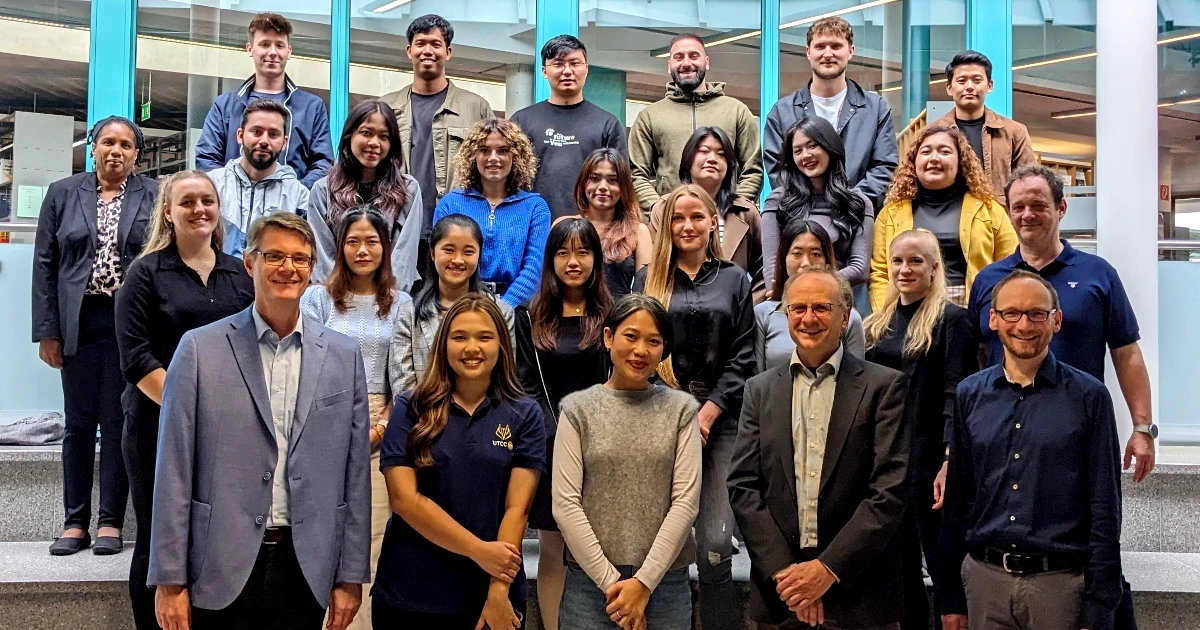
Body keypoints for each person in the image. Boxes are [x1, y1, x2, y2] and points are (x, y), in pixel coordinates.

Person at [149, 212, 370, 630]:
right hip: (219, 564)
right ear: (249, 263)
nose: (288, 268)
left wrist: (350, 574)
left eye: (300, 259)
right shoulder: (198, 350)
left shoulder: (344, 356)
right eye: (274, 256)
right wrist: (169, 579)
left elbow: (355, 475)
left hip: (306, 565)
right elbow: (173, 470)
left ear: (312, 270)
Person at [967, 166, 1154, 630]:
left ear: (1061, 210)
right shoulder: (989, 279)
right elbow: (974, 361)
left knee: (1094, 540)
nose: (1028, 214)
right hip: (1006, 436)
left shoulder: (1097, 274)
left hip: (1077, 434)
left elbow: (1126, 352)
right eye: (1019, 207)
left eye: (1039, 205)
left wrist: (1143, 427)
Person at [728, 266, 910, 630]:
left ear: (845, 317)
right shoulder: (760, 390)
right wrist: (788, 575)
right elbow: (743, 487)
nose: (808, 318)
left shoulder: (884, 387)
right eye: (797, 308)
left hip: (859, 591)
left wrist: (827, 570)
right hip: (783, 593)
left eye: (821, 308)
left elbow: (890, 490)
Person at [940, 271, 1122, 630]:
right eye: (1012, 313)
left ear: (1056, 320)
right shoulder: (968, 395)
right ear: (993, 319)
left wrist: (1099, 606)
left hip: (1060, 588)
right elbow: (958, 500)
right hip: (984, 583)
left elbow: (1105, 507)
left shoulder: (1090, 397)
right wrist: (950, 597)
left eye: (1037, 314)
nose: (1024, 324)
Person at [114, 170, 255, 629]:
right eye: (187, 202)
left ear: (218, 211)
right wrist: (186, 411)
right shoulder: (144, 273)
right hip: (157, 428)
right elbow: (136, 358)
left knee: (214, 535)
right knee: (160, 537)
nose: (199, 210)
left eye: (207, 201)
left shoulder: (240, 274)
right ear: (168, 213)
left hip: (228, 433)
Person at [373, 294, 545, 629]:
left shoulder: (524, 413)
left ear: (501, 344)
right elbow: (405, 500)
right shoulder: (411, 407)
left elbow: (517, 509)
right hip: (411, 595)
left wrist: (498, 591)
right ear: (443, 344)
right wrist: (479, 551)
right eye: (459, 337)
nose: (471, 348)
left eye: (484, 337)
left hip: (491, 598)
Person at [33, 115, 157, 556]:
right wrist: (48, 332)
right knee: (79, 423)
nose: (116, 151)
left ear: (136, 154)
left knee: (121, 420)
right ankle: (74, 522)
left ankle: (110, 522)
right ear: (93, 147)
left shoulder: (154, 194)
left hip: (130, 324)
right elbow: (46, 265)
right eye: (108, 142)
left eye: (126, 144)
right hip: (79, 321)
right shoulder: (63, 194)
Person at [634, 184, 755, 630]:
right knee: (661, 543)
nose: (687, 226)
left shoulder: (734, 279)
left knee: (716, 543)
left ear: (712, 223)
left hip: (720, 422)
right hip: (659, 418)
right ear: (665, 226)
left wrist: (707, 412)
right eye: (677, 218)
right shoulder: (647, 280)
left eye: (697, 217)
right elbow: (638, 353)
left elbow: (745, 355)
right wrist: (680, 413)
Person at [553, 293, 702, 630]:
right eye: (630, 336)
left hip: (665, 584)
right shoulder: (577, 410)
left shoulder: (682, 410)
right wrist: (614, 586)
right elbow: (565, 504)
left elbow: (686, 503)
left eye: (653, 341)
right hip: (590, 586)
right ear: (608, 337)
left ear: (663, 349)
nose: (640, 350)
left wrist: (644, 582)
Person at [862, 229, 977, 630]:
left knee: (944, 561)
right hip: (887, 461)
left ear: (933, 268)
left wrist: (949, 459)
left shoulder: (952, 321)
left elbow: (955, 395)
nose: (904, 269)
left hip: (931, 461)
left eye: (915, 261)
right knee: (901, 566)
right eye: (897, 261)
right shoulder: (878, 324)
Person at [301, 207, 405, 630]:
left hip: (382, 428)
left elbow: (404, 379)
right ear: (339, 247)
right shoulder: (316, 299)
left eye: (372, 241)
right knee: (322, 536)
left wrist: (380, 428)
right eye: (353, 241)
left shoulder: (401, 303)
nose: (363, 250)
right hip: (322, 425)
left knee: (372, 538)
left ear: (386, 248)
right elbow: (305, 368)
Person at [514, 218, 612, 630]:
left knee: (595, 549)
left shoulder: (613, 313)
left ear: (596, 259)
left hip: (603, 446)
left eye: (583, 252)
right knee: (553, 550)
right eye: (563, 252)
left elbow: (620, 381)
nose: (573, 262)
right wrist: (560, 437)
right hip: (551, 446)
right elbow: (525, 384)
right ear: (550, 259)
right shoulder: (528, 316)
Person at [871, 125, 1016, 310]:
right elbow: (880, 273)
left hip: (972, 307)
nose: (934, 158)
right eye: (926, 151)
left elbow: (1009, 264)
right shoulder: (890, 214)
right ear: (914, 161)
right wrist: (887, 315)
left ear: (960, 161)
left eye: (944, 151)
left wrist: (993, 311)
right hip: (906, 307)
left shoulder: (989, 209)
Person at [763, 16, 898, 210]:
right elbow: (780, 171)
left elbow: (884, 168)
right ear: (808, 52)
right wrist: (813, 212)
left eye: (836, 46)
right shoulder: (782, 112)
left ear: (850, 51)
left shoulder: (875, 108)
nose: (828, 54)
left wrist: (848, 204)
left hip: (858, 220)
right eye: (820, 46)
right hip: (801, 224)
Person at [381, 14, 493, 246]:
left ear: (448, 52)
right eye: (420, 44)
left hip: (459, 229)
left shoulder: (476, 108)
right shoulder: (386, 108)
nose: (427, 51)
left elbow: (494, 172)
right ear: (409, 50)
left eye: (436, 44)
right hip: (397, 228)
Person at [195, 12, 333, 188]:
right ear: (250, 49)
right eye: (265, 44)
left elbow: (323, 164)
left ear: (289, 51)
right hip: (233, 212)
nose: (273, 52)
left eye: (280, 45)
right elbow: (206, 158)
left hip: (291, 213)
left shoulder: (312, 107)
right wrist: (233, 196)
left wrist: (294, 197)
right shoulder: (225, 106)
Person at [628, 33, 763, 211]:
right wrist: (660, 209)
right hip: (670, 225)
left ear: (706, 62)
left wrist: (733, 209)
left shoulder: (736, 111)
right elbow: (635, 174)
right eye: (678, 57)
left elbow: (753, 170)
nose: (686, 63)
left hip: (726, 222)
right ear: (669, 66)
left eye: (694, 56)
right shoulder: (649, 116)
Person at [390, 214, 515, 397]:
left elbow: (504, 380)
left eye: (468, 252)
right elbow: (403, 387)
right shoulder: (409, 314)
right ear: (432, 253)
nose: (458, 260)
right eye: (449, 250)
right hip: (425, 419)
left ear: (479, 255)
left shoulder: (502, 312)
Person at [432, 117, 550, 308]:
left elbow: (534, 270)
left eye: (503, 151)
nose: (493, 158)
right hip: (459, 306)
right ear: (473, 155)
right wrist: (468, 307)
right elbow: (443, 261)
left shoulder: (535, 207)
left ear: (516, 156)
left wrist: (504, 309)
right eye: (484, 150)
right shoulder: (450, 204)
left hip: (515, 310)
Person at [308, 99, 423, 291]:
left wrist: (385, 299)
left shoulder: (408, 190)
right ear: (349, 135)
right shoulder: (323, 190)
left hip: (388, 301)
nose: (374, 143)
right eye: (366, 133)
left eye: (384, 136)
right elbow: (322, 256)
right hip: (335, 301)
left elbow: (404, 257)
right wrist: (339, 298)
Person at [508, 35, 627, 220]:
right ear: (544, 71)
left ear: (586, 69)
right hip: (531, 226)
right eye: (558, 64)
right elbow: (509, 181)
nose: (567, 71)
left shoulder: (608, 124)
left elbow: (621, 184)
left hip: (589, 230)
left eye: (575, 63)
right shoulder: (521, 121)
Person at [649, 126, 765, 302]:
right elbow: (654, 267)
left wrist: (745, 310)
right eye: (704, 151)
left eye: (721, 154)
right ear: (688, 160)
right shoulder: (663, 208)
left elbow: (764, 272)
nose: (712, 159)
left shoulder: (746, 212)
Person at [762, 116, 873, 297]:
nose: (806, 155)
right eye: (797, 151)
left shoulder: (858, 202)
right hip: (789, 301)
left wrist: (814, 285)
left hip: (839, 300)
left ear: (830, 147)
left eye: (812, 146)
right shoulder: (777, 201)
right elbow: (771, 267)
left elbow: (860, 269)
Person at [757, 220, 865, 371]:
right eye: (797, 254)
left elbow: (857, 379)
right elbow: (756, 382)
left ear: (827, 261)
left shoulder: (848, 317)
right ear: (783, 259)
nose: (806, 263)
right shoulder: (763, 314)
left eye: (815, 254)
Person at [208, 99, 311, 257]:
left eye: (273, 134)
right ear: (240, 135)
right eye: (256, 132)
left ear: (284, 143)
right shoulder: (212, 185)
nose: (264, 141)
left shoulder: (299, 198)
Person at [934, 51, 1037, 207]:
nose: (969, 87)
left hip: (998, 223)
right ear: (949, 88)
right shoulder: (933, 133)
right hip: (948, 221)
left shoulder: (1013, 132)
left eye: (977, 80)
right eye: (961, 81)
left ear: (989, 86)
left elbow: (1030, 183)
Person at [571, 148, 652, 297]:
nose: (603, 186)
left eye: (612, 180)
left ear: (623, 188)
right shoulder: (566, 226)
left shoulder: (639, 232)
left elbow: (646, 294)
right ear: (583, 183)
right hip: (574, 316)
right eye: (595, 178)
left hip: (621, 317)